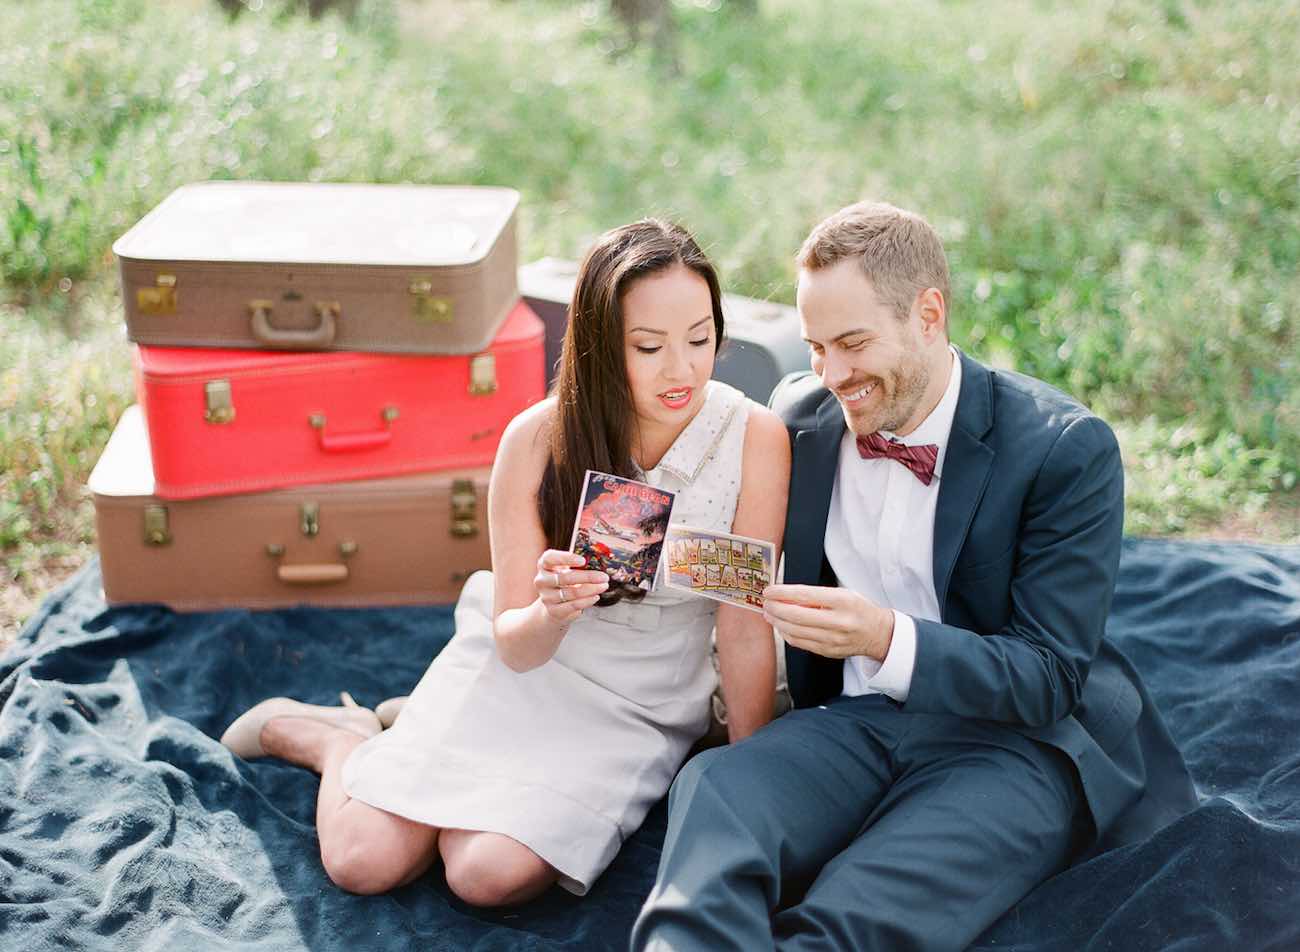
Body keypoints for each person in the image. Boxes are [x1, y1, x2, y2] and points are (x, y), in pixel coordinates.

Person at [631, 201, 1198, 950]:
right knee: (717, 794)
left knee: (867, 903)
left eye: (853, 343)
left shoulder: (1066, 450)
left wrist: (883, 635)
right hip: (853, 722)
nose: (831, 374)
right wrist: (612, 546)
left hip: (1016, 741)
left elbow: (1051, 673)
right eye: (814, 347)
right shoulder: (801, 417)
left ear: (928, 314)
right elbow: (722, 533)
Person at [220, 219, 791, 904]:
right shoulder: (537, 438)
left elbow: (743, 627)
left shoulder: (753, 437)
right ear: (603, 346)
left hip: (641, 701)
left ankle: (392, 738)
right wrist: (551, 610)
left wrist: (754, 784)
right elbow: (516, 646)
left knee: (485, 875)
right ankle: (336, 739)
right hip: (529, 667)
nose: (683, 370)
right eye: (649, 347)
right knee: (361, 860)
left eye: (701, 339)